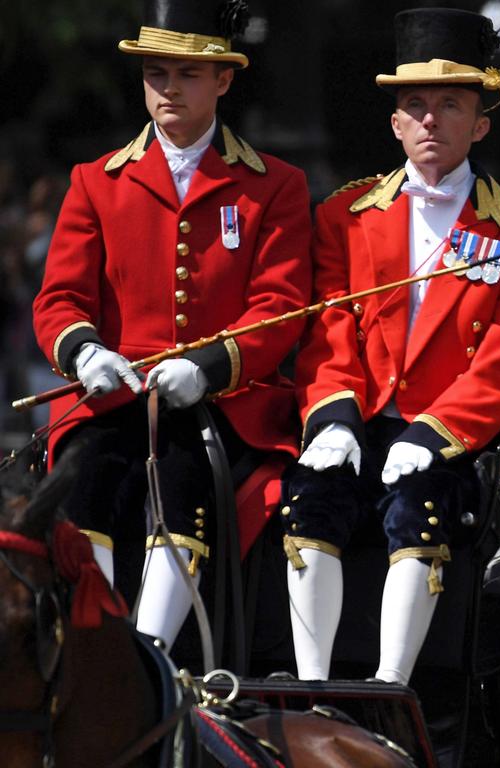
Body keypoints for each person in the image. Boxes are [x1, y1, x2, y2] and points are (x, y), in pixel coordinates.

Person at [284, 8, 500, 683]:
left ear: (480, 123)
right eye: (416, 105)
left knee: (422, 506)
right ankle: (313, 686)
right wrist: (332, 416)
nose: (431, 119)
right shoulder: (343, 217)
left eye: (449, 104)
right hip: (358, 420)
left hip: (450, 439)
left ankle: (389, 688)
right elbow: (329, 329)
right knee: (307, 496)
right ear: (395, 124)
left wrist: (435, 432)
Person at [31, 0, 312, 649]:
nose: (168, 89)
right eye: (156, 74)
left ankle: (149, 656)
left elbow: (280, 307)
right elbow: (60, 300)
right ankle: (95, 648)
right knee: (83, 477)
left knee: (184, 479)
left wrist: (208, 367)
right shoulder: (95, 182)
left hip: (220, 400)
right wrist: (84, 354)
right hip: (112, 394)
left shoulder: (275, 185)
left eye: (186, 75)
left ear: (224, 80)